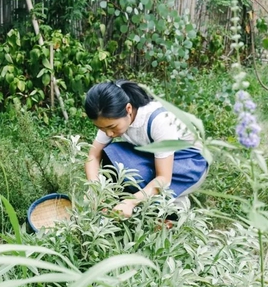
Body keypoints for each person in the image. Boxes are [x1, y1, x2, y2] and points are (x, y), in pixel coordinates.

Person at [84, 79, 208, 218]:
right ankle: (138, 200)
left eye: (112, 127)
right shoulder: (109, 117)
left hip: (188, 161)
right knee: (111, 153)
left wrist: (131, 202)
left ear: (128, 109)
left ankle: (177, 203)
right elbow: (93, 156)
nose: (108, 133)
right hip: (156, 154)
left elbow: (163, 178)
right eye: (101, 128)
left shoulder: (159, 121)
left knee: (160, 197)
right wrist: (95, 190)